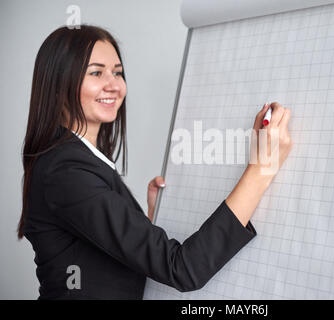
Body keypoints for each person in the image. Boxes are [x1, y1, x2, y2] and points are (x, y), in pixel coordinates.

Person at [17, 25, 293, 300]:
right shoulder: (66, 171)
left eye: (117, 72)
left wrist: (146, 218)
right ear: (58, 83)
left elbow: (101, 260)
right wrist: (262, 168)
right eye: (96, 72)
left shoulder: (80, 160)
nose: (114, 85)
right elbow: (184, 269)